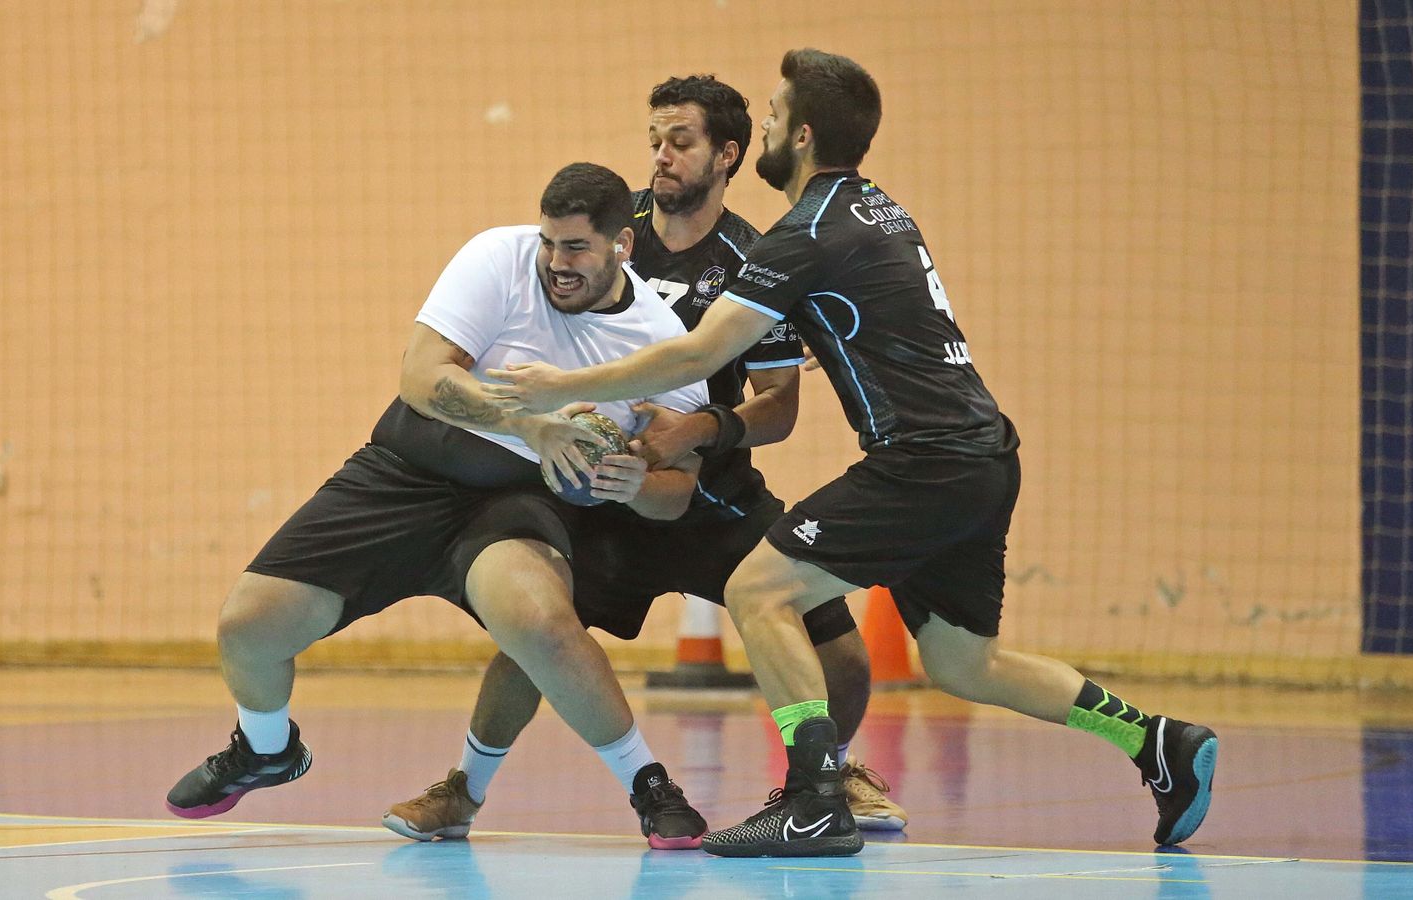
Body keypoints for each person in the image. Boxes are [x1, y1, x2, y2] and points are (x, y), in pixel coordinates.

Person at [483, 49, 1219, 858]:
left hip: (924, 461)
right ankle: (1157, 741)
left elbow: (696, 358)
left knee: (758, 590)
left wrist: (558, 387)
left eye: (769, 114)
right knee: (965, 664)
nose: (760, 124)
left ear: (799, 135)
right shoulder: (879, 208)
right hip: (984, 458)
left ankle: (812, 800)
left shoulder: (802, 236)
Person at [381, 75, 907, 844]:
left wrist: (692, 435)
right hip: (598, 486)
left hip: (706, 489)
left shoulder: (757, 259)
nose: (660, 156)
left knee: (842, 651)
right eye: (654, 140)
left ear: (727, 155)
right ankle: (464, 791)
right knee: (537, 636)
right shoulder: (605, 224)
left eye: (681, 141)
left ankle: (823, 784)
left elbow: (779, 407)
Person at [165, 162, 715, 849]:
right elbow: (421, 378)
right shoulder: (496, 258)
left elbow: (677, 494)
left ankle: (649, 784)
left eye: (576, 248)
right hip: (404, 471)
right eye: (548, 243)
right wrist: (528, 423)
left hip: (514, 502)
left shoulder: (664, 345)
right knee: (248, 627)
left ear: (621, 247)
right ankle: (265, 748)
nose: (556, 263)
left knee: (540, 622)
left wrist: (637, 485)